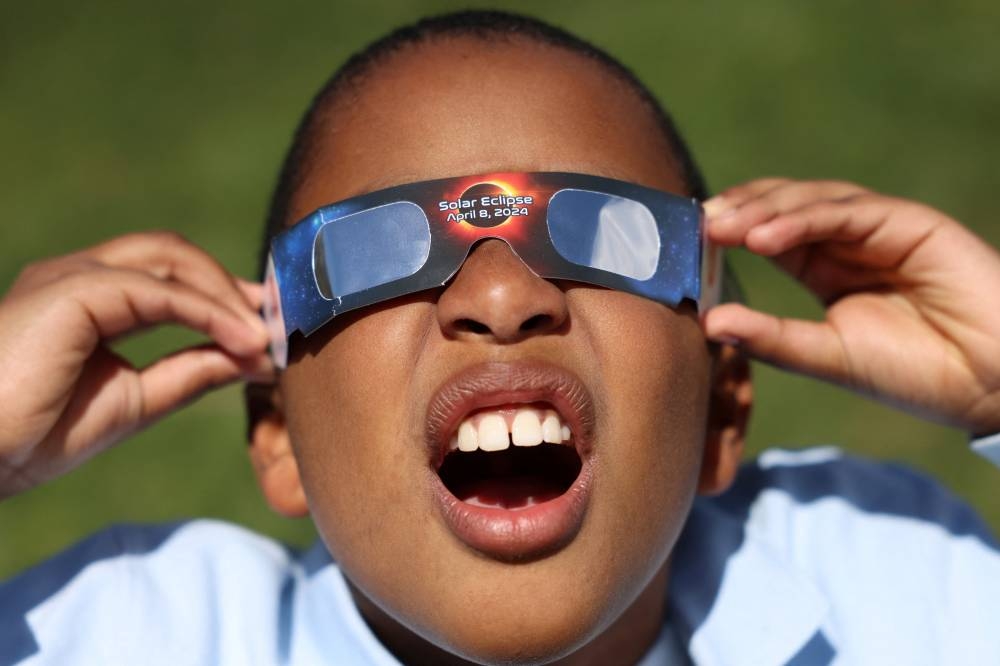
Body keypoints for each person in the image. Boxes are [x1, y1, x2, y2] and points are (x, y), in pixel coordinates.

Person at [2, 10, 999, 666]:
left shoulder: (887, 580)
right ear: (279, 438)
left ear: (719, 411)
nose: (498, 295)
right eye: (380, 252)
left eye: (599, 237)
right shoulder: (131, 632)